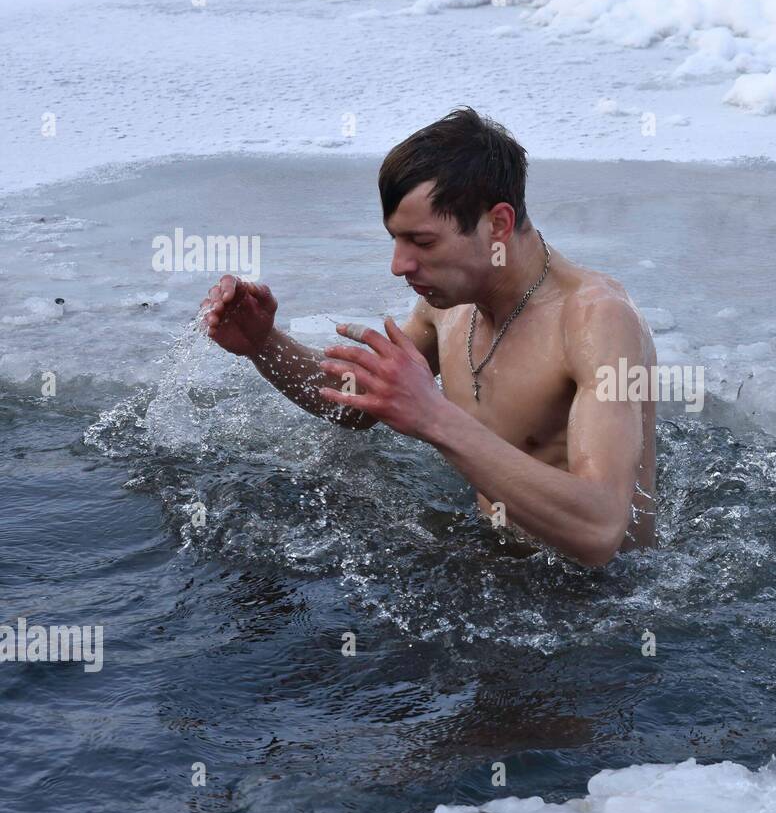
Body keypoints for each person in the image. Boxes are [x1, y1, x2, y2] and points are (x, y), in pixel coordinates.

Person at [199, 107, 656, 566]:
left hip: (596, 603)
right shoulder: (453, 304)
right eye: (395, 240)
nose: (398, 265)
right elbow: (357, 404)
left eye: (422, 242)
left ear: (497, 224)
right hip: (494, 562)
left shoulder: (596, 321)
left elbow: (600, 530)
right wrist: (264, 344)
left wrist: (433, 417)